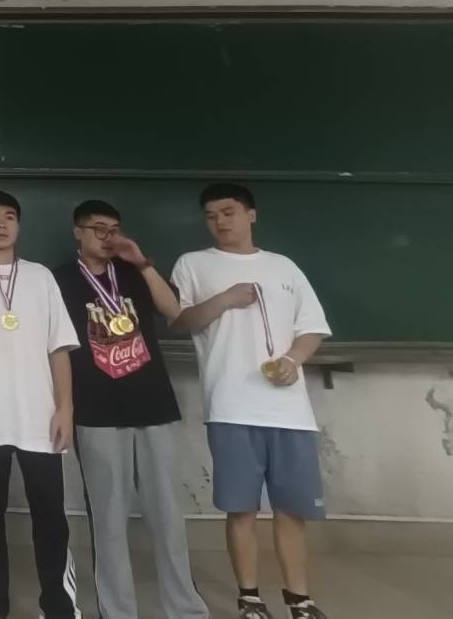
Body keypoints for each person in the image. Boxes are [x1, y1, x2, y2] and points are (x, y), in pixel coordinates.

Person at [171, 183, 332, 619]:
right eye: (211, 215)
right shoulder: (193, 264)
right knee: (240, 509)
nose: (220, 221)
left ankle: (299, 599)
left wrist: (293, 360)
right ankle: (250, 598)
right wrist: (225, 299)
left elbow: (312, 327)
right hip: (230, 406)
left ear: (251, 215)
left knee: (292, 510)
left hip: (290, 411)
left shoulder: (284, 267)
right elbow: (181, 320)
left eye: (228, 212)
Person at [53, 200, 208, 619]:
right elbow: (53, 346)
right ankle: (117, 611)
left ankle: (186, 609)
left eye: (115, 229)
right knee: (108, 520)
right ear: (78, 232)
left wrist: (142, 263)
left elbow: (174, 312)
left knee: (168, 515)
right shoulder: (59, 279)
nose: (109, 237)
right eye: (99, 229)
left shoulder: (133, 272)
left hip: (155, 405)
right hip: (97, 412)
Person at [0, 190, 80, 619]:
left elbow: (60, 347)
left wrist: (65, 408)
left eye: (9, 217)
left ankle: (58, 605)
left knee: (51, 517)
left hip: (40, 419)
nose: (1, 224)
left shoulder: (42, 277)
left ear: (19, 225)